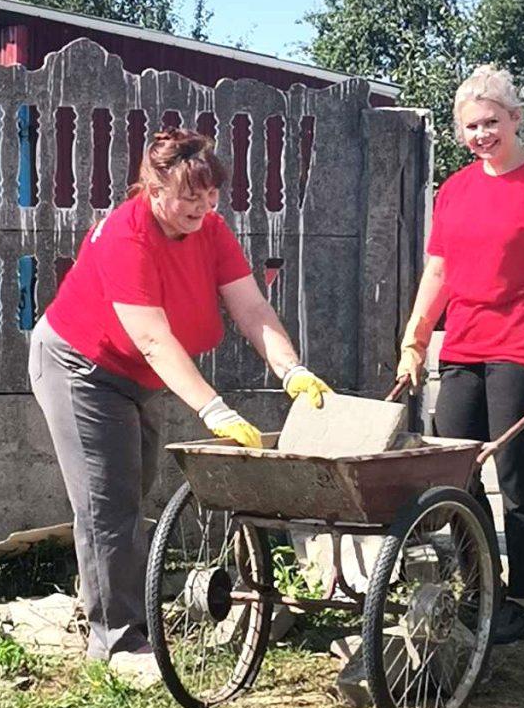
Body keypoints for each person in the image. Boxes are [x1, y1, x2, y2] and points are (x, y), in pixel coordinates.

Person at [29, 127, 330, 665]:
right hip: (80, 366)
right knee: (107, 502)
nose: (204, 207)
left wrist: (292, 370)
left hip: (137, 376)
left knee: (130, 489)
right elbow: (151, 338)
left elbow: (251, 309)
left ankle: (106, 606)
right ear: (154, 189)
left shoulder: (210, 230)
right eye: (191, 197)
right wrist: (213, 408)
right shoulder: (127, 233)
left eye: (211, 196)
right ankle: (117, 643)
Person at [396, 65, 524, 645]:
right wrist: (415, 338)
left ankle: (520, 594)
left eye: (492, 122)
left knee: (515, 472)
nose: (482, 134)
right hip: (464, 343)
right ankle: (479, 582)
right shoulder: (455, 189)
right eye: (471, 127)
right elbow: (438, 269)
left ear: (516, 119)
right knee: (455, 470)